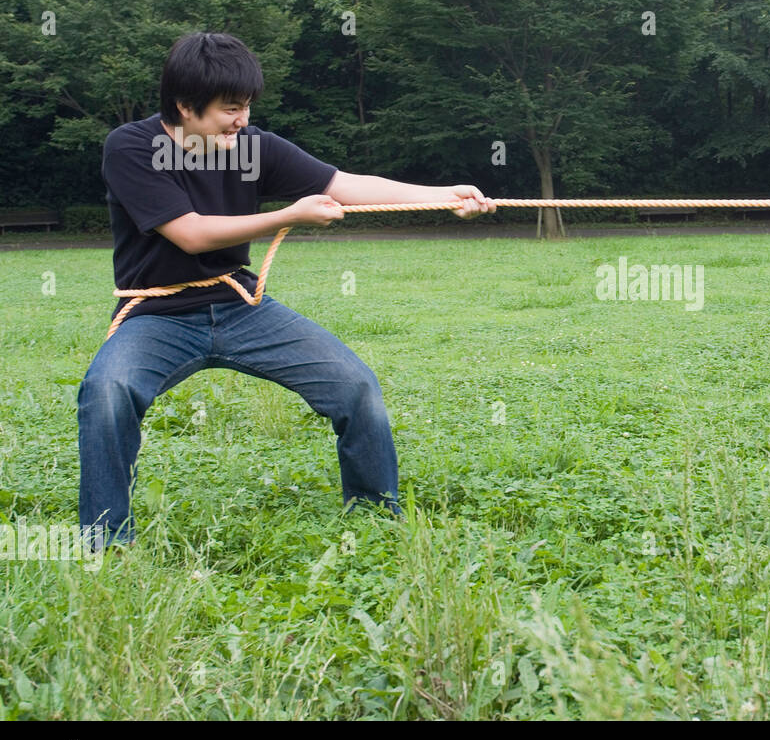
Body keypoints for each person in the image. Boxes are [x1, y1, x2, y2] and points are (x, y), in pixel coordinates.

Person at [78, 31, 495, 547]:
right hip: (158, 317)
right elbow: (189, 232)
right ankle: (104, 542)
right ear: (185, 106)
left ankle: (373, 519)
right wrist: (289, 215)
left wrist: (441, 195)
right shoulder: (133, 147)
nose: (243, 121)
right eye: (231, 109)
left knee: (355, 387)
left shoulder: (250, 148)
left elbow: (344, 184)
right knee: (107, 391)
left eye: (247, 106)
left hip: (240, 305)